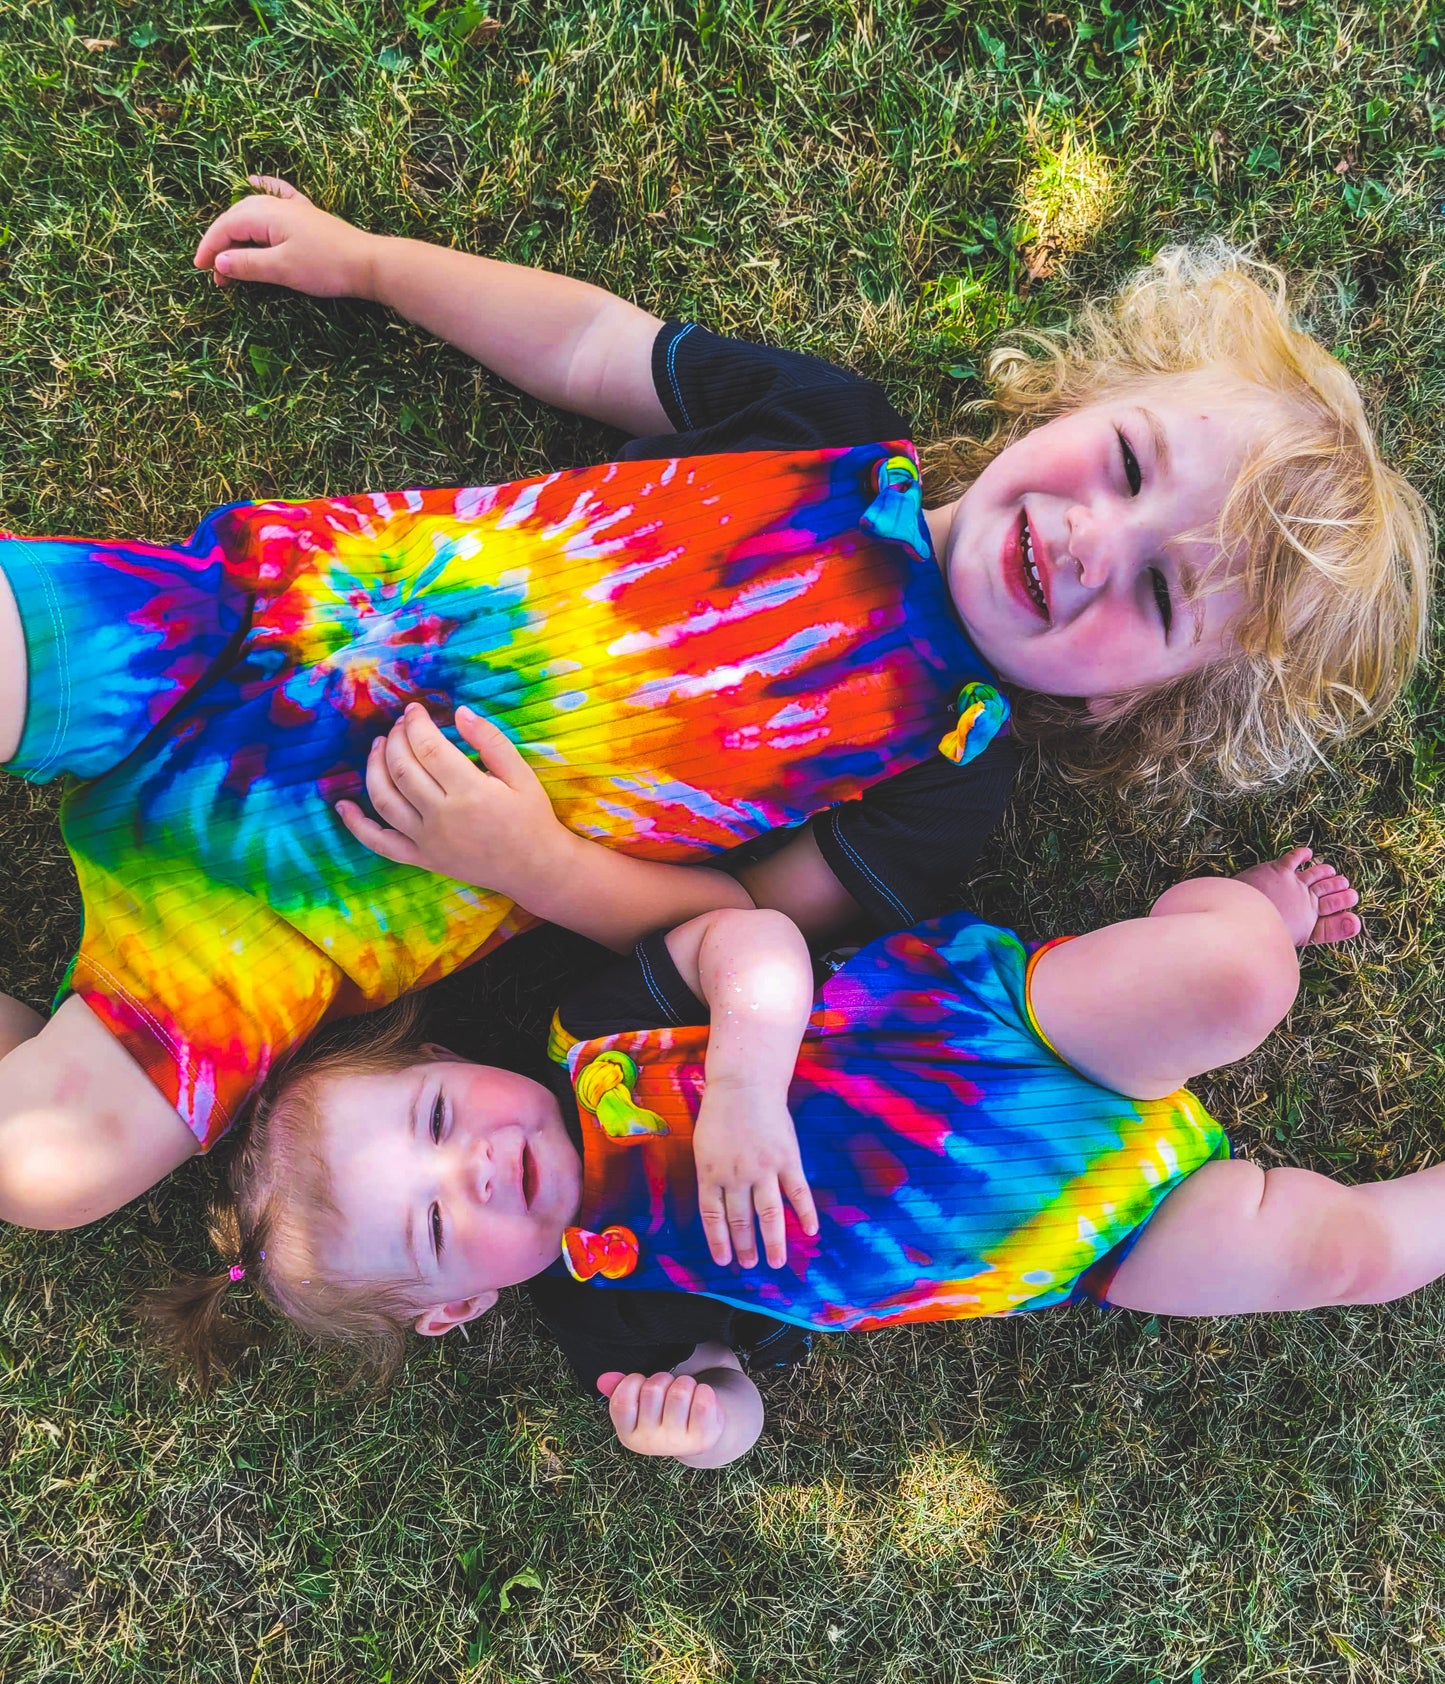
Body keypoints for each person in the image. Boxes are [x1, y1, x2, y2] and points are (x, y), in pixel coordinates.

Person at [0, 178, 1428, 1230]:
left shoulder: (948, 774)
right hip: (246, 627)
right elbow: (587, 347)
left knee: (51, 1172)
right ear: (1081, 397)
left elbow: (721, 924)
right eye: (1122, 462)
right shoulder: (831, 433)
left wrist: (530, 865)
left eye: (1162, 600)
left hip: (314, 898)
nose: (1090, 542)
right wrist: (373, 262)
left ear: (1150, 703)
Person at [157, 845, 1438, 1471]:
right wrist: (700, 1420)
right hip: (1088, 1238)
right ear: (457, 1307)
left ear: (444, 1058)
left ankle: (1246, 903)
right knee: (1340, 1253)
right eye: (437, 1224)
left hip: (991, 1038)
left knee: (1232, 975)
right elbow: (741, 1383)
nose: (476, 1167)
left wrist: (748, 1081)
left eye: (437, 1117)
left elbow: (750, 937)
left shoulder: (585, 1026)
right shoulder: (601, 1309)